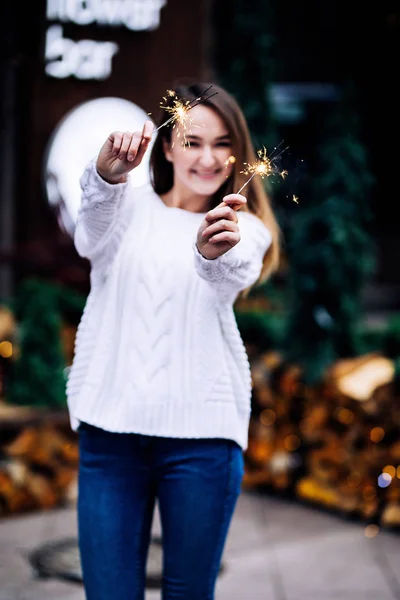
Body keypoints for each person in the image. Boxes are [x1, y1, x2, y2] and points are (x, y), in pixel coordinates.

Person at [67, 81, 281, 600]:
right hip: (110, 437)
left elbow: (230, 268)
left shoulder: (243, 226)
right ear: (166, 147)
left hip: (202, 442)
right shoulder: (127, 206)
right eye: (193, 142)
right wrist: (106, 176)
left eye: (223, 143)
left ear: (238, 152)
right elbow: (88, 237)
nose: (208, 158)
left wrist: (211, 251)